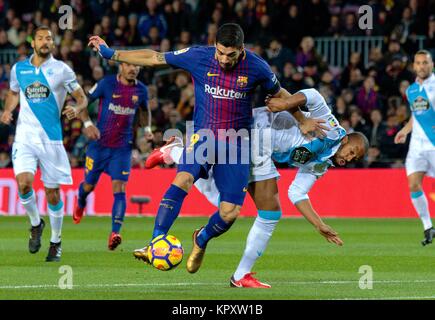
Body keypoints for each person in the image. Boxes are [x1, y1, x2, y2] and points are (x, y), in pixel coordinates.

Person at [88, 23, 326, 273]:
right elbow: (154, 57)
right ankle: (155, 240)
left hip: (237, 142)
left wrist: (302, 120)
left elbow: (280, 94)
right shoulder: (198, 56)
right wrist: (111, 53)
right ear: (214, 46)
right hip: (204, 135)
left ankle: (201, 239)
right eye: (220, 53)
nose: (223, 60)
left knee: (230, 213)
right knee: (183, 178)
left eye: (230, 55)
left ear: (241, 50)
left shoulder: (257, 67)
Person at [143, 88, 368, 287]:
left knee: (230, 209)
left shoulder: (321, 165)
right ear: (347, 140)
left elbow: (297, 192)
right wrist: (286, 104)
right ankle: (176, 154)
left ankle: (175, 154)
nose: (349, 159)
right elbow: (314, 96)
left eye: (354, 159)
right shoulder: (331, 128)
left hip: (262, 151)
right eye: (352, 152)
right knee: (258, 209)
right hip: (255, 129)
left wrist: (319, 225)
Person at [0, 26, 99, 262]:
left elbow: (82, 98)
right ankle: (36, 224)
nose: (46, 42)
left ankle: (56, 241)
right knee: (24, 184)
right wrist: (7, 110)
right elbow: (14, 93)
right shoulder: (19, 69)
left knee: (52, 194)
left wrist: (78, 110)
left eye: (49, 39)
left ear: (53, 45)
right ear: (32, 42)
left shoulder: (62, 70)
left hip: (51, 140)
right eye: (41, 38)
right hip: (24, 137)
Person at [73, 62, 151, 250]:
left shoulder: (141, 90)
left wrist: (147, 129)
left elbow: (144, 110)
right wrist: (87, 124)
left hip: (122, 149)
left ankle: (115, 232)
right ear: (120, 67)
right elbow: (83, 102)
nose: (133, 69)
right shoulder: (106, 84)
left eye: (136, 66)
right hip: (99, 147)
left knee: (120, 188)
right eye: (128, 65)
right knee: (88, 186)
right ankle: (81, 200)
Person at [394, 50, 435, 246]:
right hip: (417, 146)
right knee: (413, 184)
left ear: (431, 64)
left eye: (425, 63)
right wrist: (404, 130)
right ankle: (428, 226)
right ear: (414, 66)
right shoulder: (410, 90)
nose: (421, 66)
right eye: (418, 63)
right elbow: (415, 116)